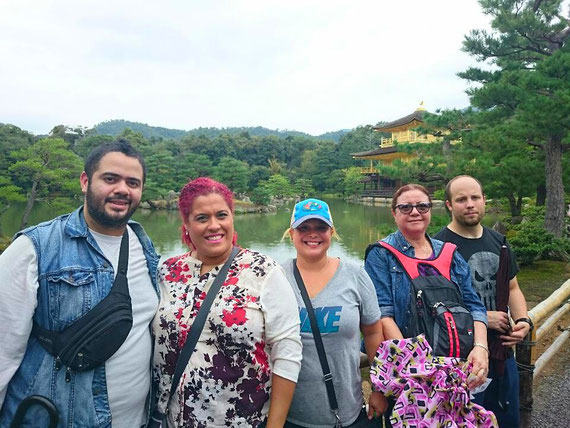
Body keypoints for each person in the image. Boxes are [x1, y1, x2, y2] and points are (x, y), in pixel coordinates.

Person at [0, 140, 160, 427]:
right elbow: (3, 351)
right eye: (110, 178)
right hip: (59, 416)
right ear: (85, 181)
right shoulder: (35, 247)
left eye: (132, 182)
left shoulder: (143, 244)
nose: (122, 189)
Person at [152, 177, 302, 428]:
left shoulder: (262, 271)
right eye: (201, 218)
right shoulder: (167, 271)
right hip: (171, 419)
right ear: (186, 224)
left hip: (243, 420)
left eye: (222, 215)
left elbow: (287, 353)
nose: (214, 225)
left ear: (232, 218)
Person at [364, 184, 489, 390]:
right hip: (410, 371)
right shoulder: (381, 254)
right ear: (394, 212)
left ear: (430, 210)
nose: (415, 212)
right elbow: (382, 313)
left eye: (422, 206)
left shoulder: (449, 253)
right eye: (405, 207)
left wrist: (481, 347)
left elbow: (474, 305)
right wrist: (417, 365)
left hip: (457, 364)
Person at [281, 198, 387, 427]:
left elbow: (372, 333)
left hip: (348, 412)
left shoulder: (354, 274)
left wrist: (379, 388)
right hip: (290, 414)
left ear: (332, 232)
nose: (313, 234)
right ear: (291, 233)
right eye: (304, 228)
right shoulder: (276, 277)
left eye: (320, 228)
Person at [435, 175, 531, 427]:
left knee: (507, 417)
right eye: (461, 199)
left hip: (502, 351)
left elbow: (513, 287)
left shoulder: (499, 242)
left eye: (475, 197)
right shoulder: (437, 247)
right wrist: (481, 317)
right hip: (462, 357)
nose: (470, 204)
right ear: (448, 205)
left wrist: (523, 320)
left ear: (484, 200)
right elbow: (435, 307)